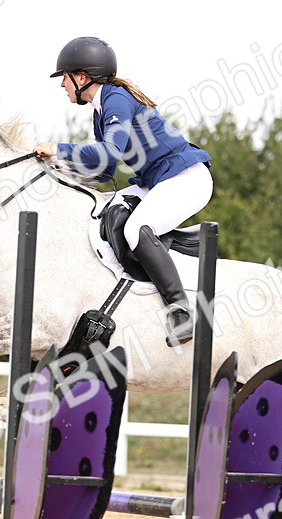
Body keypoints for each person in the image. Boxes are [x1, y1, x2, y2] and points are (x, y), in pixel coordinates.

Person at [35, 36, 213, 347]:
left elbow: (107, 154)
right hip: (158, 180)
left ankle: (181, 313)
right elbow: (104, 172)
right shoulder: (101, 110)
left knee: (135, 229)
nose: (61, 85)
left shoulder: (115, 99)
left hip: (186, 178)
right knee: (104, 214)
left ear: (82, 77)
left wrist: (58, 149)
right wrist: (52, 172)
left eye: (64, 77)